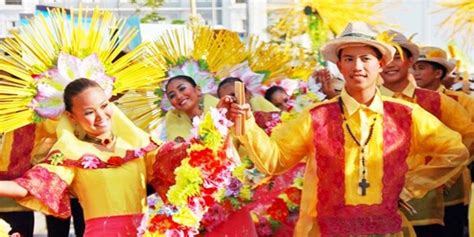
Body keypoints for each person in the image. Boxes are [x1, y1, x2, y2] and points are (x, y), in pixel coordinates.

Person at [220, 21, 469, 237]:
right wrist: (248, 125)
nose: (357, 67)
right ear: (339, 66)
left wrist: (410, 185)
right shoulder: (317, 116)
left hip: (386, 229)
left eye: (365, 59)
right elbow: (275, 160)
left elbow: (455, 150)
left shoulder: (405, 114)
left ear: (381, 64)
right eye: (349, 59)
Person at [0, 78, 174, 235]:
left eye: (104, 106)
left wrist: (200, 136)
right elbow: (29, 186)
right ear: (71, 116)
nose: (101, 116)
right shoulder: (72, 154)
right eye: (89, 112)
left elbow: (177, 160)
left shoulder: (138, 145)